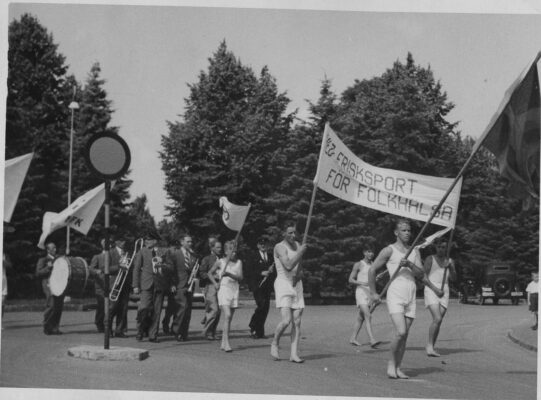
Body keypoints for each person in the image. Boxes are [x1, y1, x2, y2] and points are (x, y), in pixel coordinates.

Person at [368, 219, 424, 379]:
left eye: (409, 230)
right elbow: (372, 270)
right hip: (395, 293)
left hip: (411, 293)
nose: (407, 233)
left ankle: (399, 367)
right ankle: (391, 364)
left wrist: (410, 265)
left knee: (405, 336)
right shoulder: (389, 250)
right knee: (401, 332)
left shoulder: (415, 251)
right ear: (396, 232)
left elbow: (421, 274)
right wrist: (373, 293)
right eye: (404, 230)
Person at [270, 222, 307, 363]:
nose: (293, 235)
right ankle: (275, 342)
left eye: (295, 232)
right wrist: (300, 252)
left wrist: (300, 276)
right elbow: (288, 265)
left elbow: (299, 267)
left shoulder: (298, 245)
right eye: (290, 232)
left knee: (297, 321)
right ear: (283, 233)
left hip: (296, 285)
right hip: (283, 284)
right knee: (286, 320)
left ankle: (294, 354)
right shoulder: (279, 247)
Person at [133, 232, 175, 342]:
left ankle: (153, 335)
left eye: (149, 240)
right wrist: (135, 285)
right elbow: (136, 269)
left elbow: (171, 268)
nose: (146, 241)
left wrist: (163, 264)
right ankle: (140, 331)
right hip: (146, 285)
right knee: (144, 308)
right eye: (146, 240)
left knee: (157, 311)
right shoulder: (142, 252)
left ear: (155, 241)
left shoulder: (164, 252)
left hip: (160, 285)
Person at [208, 240, 243, 352]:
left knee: (229, 318)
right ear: (226, 251)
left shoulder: (239, 262)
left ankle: (223, 342)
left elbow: (240, 278)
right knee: (227, 315)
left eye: (235, 251)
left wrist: (229, 274)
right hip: (224, 289)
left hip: (234, 289)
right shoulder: (221, 262)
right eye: (232, 251)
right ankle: (227, 342)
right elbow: (209, 273)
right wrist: (215, 283)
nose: (234, 253)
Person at [89, 237, 128, 338]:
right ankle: (108, 329)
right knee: (112, 308)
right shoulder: (109, 252)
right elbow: (105, 268)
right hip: (113, 284)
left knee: (123, 309)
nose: (124, 242)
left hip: (125, 284)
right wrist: (119, 267)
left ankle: (119, 331)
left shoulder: (127, 253)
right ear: (117, 241)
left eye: (125, 241)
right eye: (122, 240)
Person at [423, 239, 456, 357]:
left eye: (443, 247)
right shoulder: (430, 259)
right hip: (432, 289)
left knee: (438, 321)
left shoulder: (450, 261)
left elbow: (454, 279)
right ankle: (429, 346)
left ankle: (432, 345)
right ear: (436, 247)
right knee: (437, 318)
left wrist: (451, 267)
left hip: (444, 290)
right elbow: (424, 278)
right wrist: (435, 289)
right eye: (439, 247)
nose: (441, 249)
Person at [165, 233, 196, 342]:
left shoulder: (193, 255)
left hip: (190, 285)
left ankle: (184, 333)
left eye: (191, 241)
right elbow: (170, 271)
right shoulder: (175, 254)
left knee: (187, 311)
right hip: (179, 285)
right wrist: (171, 284)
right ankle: (176, 330)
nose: (190, 243)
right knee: (181, 309)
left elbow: (194, 269)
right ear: (182, 242)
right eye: (188, 241)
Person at [348, 245, 380, 348]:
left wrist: (376, 279)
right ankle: (372, 340)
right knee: (368, 315)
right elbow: (351, 279)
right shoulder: (358, 264)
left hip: (370, 294)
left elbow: (372, 280)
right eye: (368, 251)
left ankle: (353, 338)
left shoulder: (374, 265)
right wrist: (363, 283)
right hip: (361, 292)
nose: (371, 254)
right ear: (364, 252)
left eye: (372, 252)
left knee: (361, 317)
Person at [247, 236, 276, 339]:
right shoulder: (253, 256)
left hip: (267, 286)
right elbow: (249, 271)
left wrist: (271, 272)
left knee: (265, 308)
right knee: (261, 305)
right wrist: (261, 273)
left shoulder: (271, 257)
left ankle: (260, 331)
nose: (263, 245)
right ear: (258, 245)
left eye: (265, 244)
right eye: (261, 243)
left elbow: (274, 272)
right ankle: (253, 326)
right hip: (257, 286)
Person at [35, 242, 63, 335]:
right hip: (48, 284)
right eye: (53, 248)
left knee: (59, 305)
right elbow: (38, 273)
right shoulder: (43, 260)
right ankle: (47, 326)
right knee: (51, 304)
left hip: (59, 285)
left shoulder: (60, 259)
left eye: (55, 247)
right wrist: (48, 267)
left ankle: (55, 327)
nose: (55, 249)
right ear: (48, 250)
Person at [199, 236, 222, 340]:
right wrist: (212, 277)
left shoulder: (222, 259)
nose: (220, 249)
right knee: (213, 309)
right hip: (211, 286)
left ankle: (212, 332)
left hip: (221, 286)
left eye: (220, 247)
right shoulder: (207, 259)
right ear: (212, 248)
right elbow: (202, 273)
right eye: (217, 247)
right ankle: (206, 331)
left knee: (219, 311)